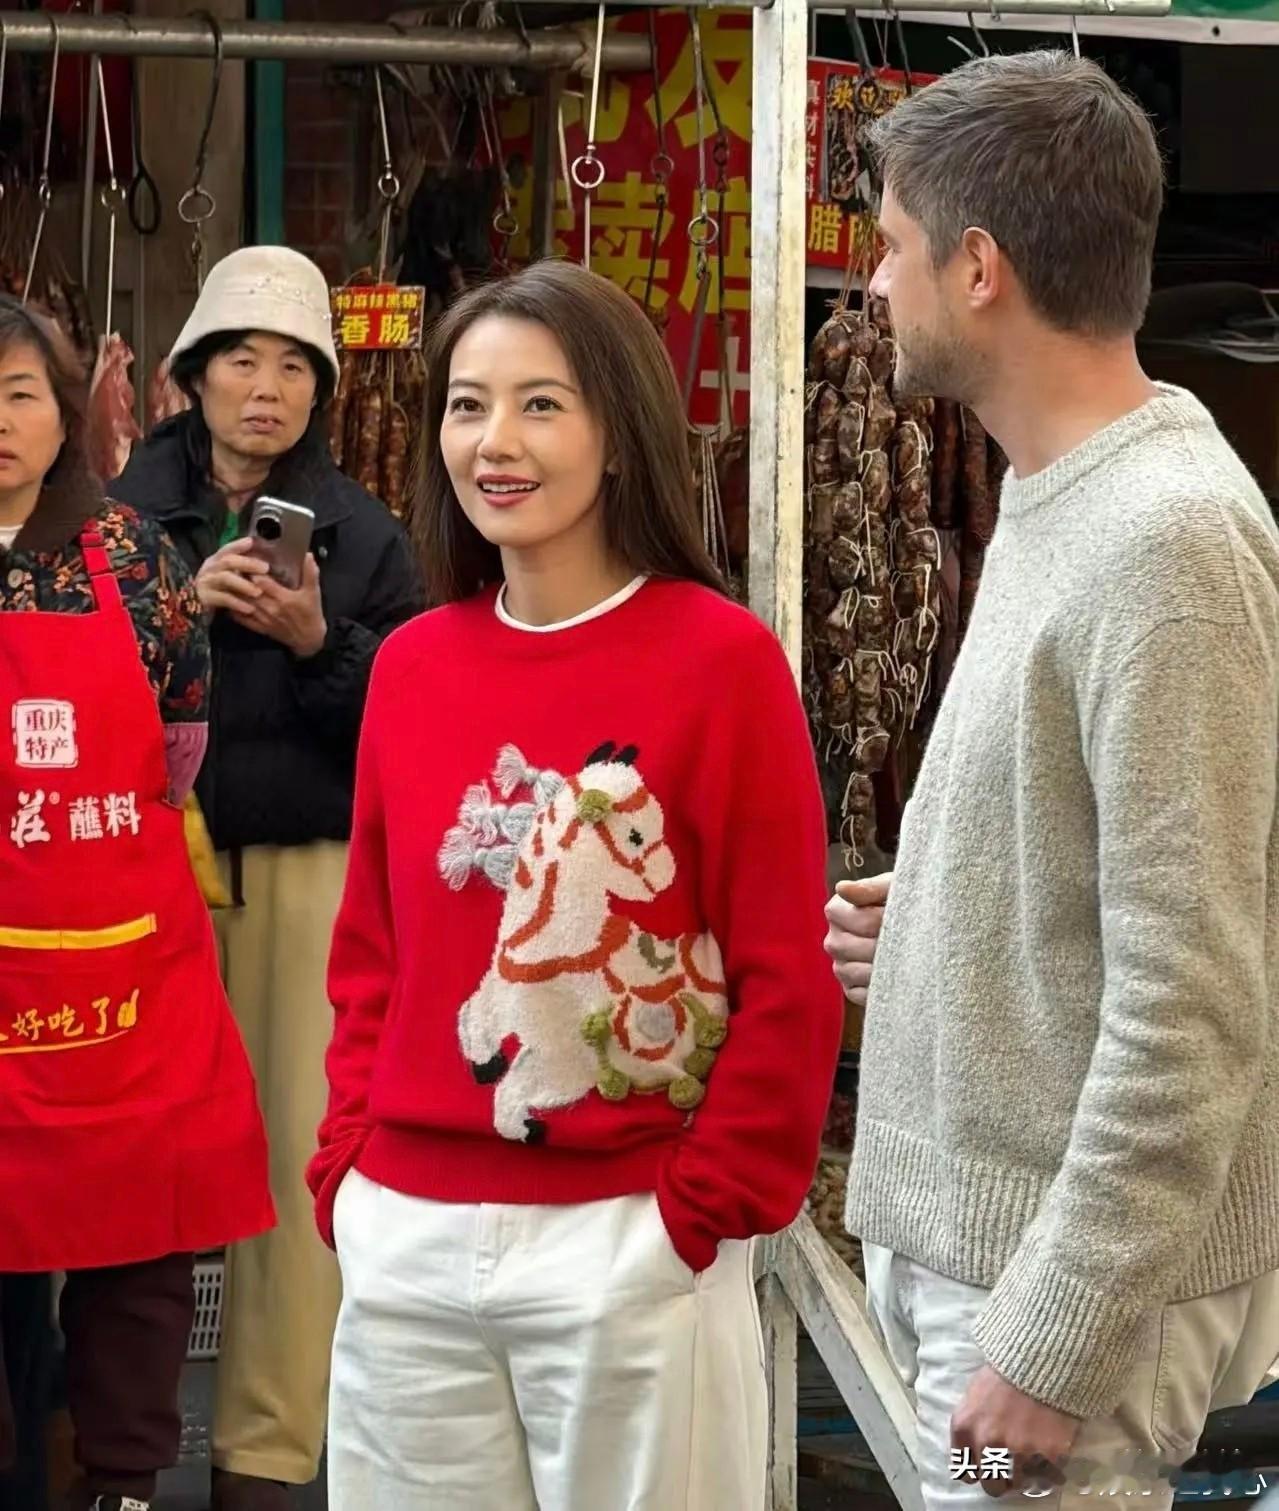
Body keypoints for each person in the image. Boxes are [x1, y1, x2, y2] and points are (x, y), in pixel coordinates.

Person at [307, 259, 844, 1511]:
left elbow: (786, 969)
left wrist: (695, 1210)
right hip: (406, 1239)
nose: (493, 441)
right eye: (467, 404)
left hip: (632, 1239)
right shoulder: (411, 665)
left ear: (620, 430)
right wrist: (349, 1172)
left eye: (540, 403)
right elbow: (373, 949)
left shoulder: (722, 660)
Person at [823, 51, 1279, 1511]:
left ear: (977, 268)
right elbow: (1113, 882)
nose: (871, 284)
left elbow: (1193, 999)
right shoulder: (1062, 492)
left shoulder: (1165, 540)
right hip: (993, 1274)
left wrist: (1051, 1340)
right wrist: (937, 921)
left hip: (1040, 1304)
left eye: (890, 245)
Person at [111, 246, 423, 1511]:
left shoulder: (365, 534)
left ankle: (266, 1461)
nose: (267, 388)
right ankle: (110, 1451)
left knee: (301, 1165)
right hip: (139, 865)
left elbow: (409, 727)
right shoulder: (117, 515)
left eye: (295, 367)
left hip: (305, 869)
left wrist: (318, 640)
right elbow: (63, 686)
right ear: (192, 374)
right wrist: (179, 610)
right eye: (242, 359)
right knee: (130, 1155)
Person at [0, 298, 273, 1511]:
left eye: (19, 394)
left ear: (68, 414)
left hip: (123, 966)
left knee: (141, 1234)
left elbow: (179, 744)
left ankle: (120, 1479)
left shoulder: (133, 555)